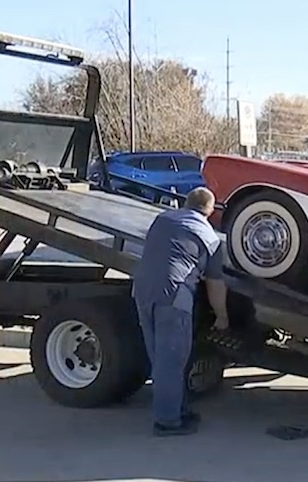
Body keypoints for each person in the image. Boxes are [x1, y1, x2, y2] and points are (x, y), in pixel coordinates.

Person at [132, 186, 230, 436]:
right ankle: (168, 422)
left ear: (186, 203)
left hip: (142, 290)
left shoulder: (162, 218)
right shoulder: (209, 237)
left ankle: (176, 408)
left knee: (159, 356)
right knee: (172, 361)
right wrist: (221, 316)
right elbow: (215, 284)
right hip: (173, 296)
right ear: (209, 210)